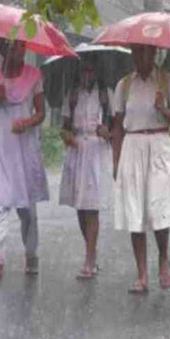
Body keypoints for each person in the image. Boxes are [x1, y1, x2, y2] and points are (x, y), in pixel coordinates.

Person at [111, 44, 170, 293]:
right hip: (132, 146)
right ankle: (142, 274)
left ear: (154, 54)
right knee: (134, 211)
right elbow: (118, 125)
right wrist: (115, 159)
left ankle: (163, 257)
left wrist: (163, 109)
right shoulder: (124, 85)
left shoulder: (168, 81)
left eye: (147, 53)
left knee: (158, 206)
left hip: (159, 144)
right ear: (132, 54)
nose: (142, 58)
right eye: (137, 52)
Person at [0, 39, 48, 279]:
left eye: (18, 46)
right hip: (1, 150)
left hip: (25, 149)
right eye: (8, 46)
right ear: (0, 48)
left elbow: (41, 113)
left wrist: (27, 122)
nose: (13, 50)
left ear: (25, 49)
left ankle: (31, 253)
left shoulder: (34, 75)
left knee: (27, 208)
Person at [58, 57, 113, 280]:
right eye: (84, 70)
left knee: (92, 207)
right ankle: (92, 250)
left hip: (97, 153)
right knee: (80, 208)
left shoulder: (106, 95)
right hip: (76, 152)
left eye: (91, 69)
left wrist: (107, 132)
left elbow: (117, 129)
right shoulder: (72, 94)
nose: (87, 74)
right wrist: (69, 138)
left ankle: (89, 259)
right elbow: (63, 129)